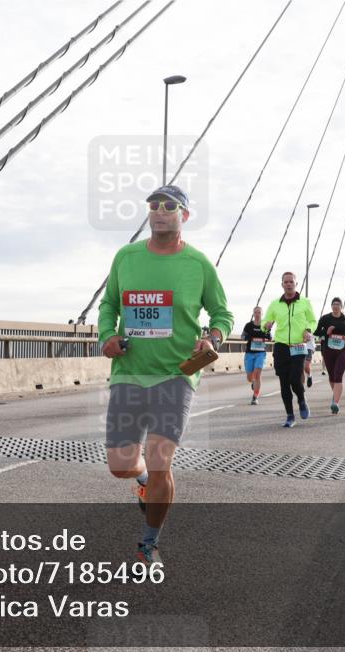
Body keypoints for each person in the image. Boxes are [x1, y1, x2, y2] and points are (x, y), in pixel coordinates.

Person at [98, 185, 233, 565]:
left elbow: (222, 314)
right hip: (129, 371)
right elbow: (109, 304)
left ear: (184, 216)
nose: (159, 211)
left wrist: (213, 337)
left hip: (177, 375)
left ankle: (148, 545)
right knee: (121, 465)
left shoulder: (199, 264)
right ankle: (142, 483)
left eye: (169, 206)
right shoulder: (125, 257)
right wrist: (107, 335)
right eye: (153, 205)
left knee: (161, 462)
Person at [262, 272, 315, 428]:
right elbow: (265, 319)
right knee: (284, 383)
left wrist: (308, 330)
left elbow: (313, 320)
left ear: (296, 284)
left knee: (294, 379)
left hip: (298, 345)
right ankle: (290, 416)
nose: (289, 284)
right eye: (286, 282)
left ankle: (301, 399)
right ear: (282, 284)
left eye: (291, 281)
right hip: (281, 346)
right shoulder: (275, 304)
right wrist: (265, 324)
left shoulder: (305, 302)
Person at [314, 298, 345, 414]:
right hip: (328, 350)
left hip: (342, 349)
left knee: (338, 375)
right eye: (334, 304)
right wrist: (326, 332)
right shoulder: (325, 318)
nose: (336, 306)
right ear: (331, 306)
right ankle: (335, 395)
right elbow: (316, 333)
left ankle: (335, 402)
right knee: (331, 375)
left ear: (341, 306)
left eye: (338, 304)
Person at [242, 307, 270, 405]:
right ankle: (253, 382)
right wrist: (248, 337)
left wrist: (268, 334)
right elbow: (242, 336)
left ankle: (255, 397)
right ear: (253, 314)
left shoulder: (264, 325)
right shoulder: (248, 325)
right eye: (255, 312)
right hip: (250, 353)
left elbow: (270, 337)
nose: (257, 314)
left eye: (259, 312)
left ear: (262, 314)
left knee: (257, 373)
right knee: (250, 377)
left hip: (261, 353)